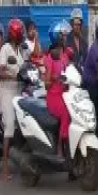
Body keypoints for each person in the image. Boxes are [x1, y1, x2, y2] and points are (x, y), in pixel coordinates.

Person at [0, 18, 25, 181]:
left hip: (20, 90)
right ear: (15, 34)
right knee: (10, 126)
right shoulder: (6, 49)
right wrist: (12, 75)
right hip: (7, 92)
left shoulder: (20, 50)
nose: (22, 34)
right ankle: (5, 168)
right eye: (20, 31)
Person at [44, 22, 71, 159]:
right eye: (63, 36)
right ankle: (60, 145)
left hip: (66, 94)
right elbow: (47, 84)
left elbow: (70, 72)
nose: (65, 38)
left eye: (66, 35)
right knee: (66, 112)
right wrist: (56, 78)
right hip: (54, 96)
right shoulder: (50, 58)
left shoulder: (65, 55)